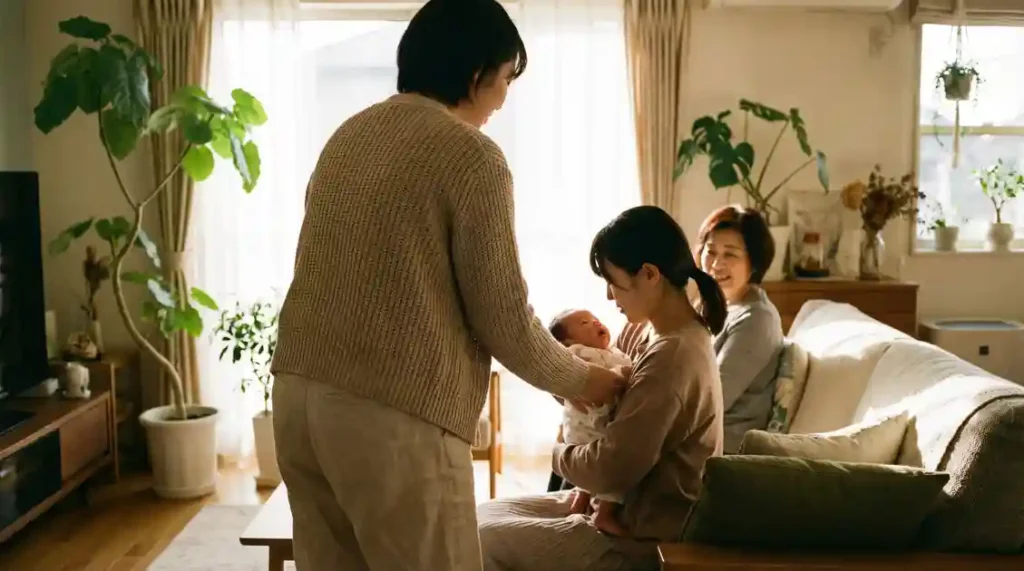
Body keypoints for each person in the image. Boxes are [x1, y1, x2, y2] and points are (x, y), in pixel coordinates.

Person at [268, 1, 624, 569]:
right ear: (475, 73)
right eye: (505, 79)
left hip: (297, 397)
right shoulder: (473, 157)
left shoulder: (347, 136)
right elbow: (502, 316)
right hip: (392, 413)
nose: (503, 98)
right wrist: (583, 378)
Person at [477, 205, 727, 571]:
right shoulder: (653, 332)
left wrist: (559, 453)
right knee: (480, 516)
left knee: (481, 538)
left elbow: (611, 469)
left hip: (639, 539)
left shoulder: (674, 356)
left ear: (649, 275)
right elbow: (602, 396)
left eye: (613, 282)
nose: (610, 297)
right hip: (619, 510)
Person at [695, 205, 785, 453]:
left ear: (754, 262)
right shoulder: (712, 303)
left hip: (722, 449)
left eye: (730, 255)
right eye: (710, 251)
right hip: (694, 435)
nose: (716, 264)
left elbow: (711, 401)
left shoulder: (757, 319)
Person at [548, 309, 633, 536]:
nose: (595, 322)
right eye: (585, 323)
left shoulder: (610, 350)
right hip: (591, 426)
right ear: (568, 342)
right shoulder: (578, 354)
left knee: (586, 478)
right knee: (615, 469)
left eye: (596, 319)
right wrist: (626, 372)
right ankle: (604, 514)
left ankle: (580, 502)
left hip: (580, 430)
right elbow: (610, 379)